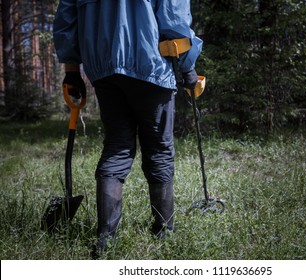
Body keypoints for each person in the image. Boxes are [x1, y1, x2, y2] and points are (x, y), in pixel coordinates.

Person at [53, 0, 202, 256]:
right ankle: (164, 229)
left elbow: (67, 19)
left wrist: (71, 70)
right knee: (159, 149)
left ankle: (105, 238)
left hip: (104, 69)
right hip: (150, 65)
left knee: (116, 147)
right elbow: (174, 16)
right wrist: (188, 66)